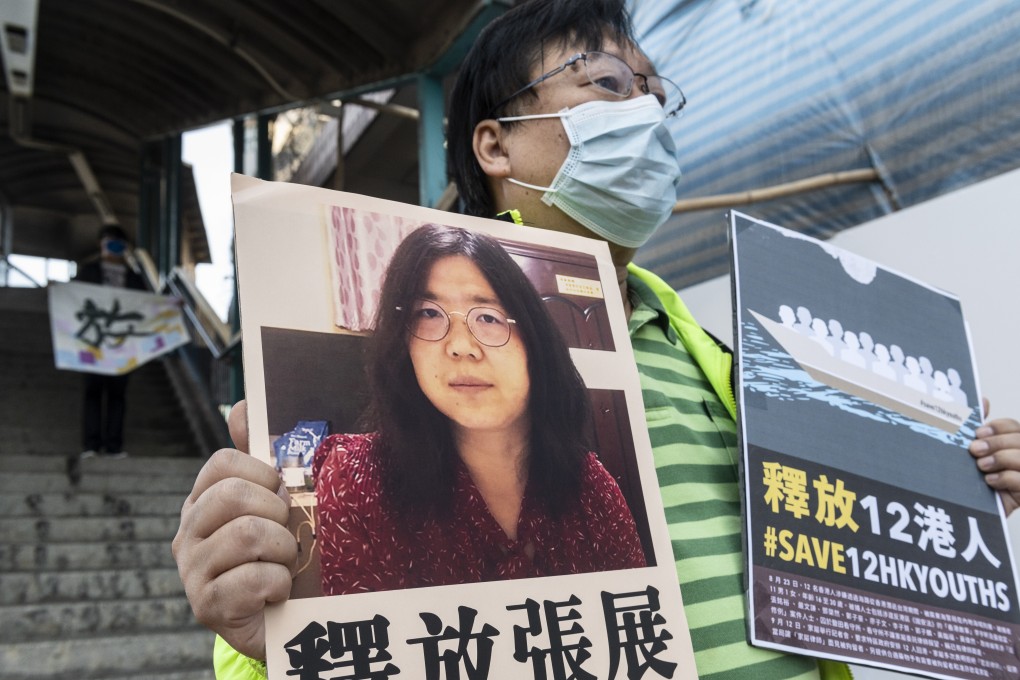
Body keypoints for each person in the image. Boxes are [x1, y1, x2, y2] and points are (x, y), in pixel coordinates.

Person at [172, 1, 1020, 678]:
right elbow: (323, 637)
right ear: (495, 143)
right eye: (608, 82)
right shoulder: (349, 471)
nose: (646, 110)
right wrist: (254, 635)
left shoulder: (714, 356)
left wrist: (949, 480)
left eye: (657, 91)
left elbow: (830, 543)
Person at [315, 224, 645, 595]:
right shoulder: (358, 478)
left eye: (488, 317)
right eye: (428, 313)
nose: (460, 347)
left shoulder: (591, 487)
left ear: (536, 342)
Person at [75, 225, 147, 459]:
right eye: (110, 242)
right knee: (92, 392)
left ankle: (114, 446)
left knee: (117, 394)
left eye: (119, 244)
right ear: (101, 244)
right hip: (93, 342)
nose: (114, 247)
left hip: (121, 344)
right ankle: (92, 445)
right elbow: (73, 298)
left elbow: (148, 306)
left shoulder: (135, 278)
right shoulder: (88, 271)